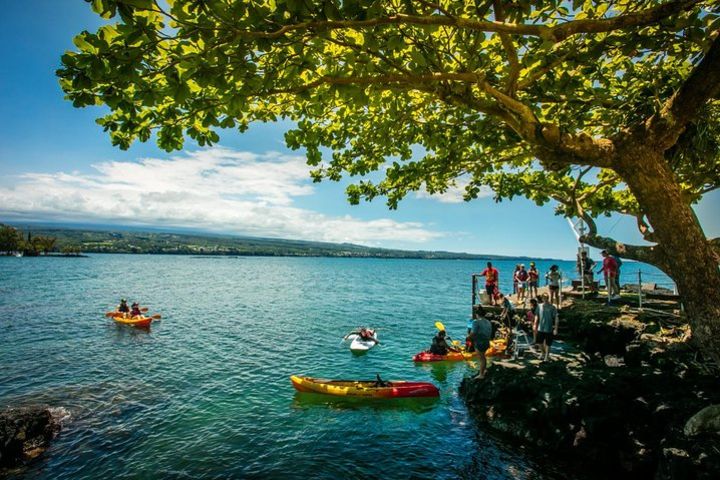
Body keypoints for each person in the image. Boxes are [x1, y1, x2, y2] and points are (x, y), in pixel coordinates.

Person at [534, 294, 559, 361]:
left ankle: (546, 356)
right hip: (540, 327)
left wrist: (556, 328)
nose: (544, 299)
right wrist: (535, 324)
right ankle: (543, 353)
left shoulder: (552, 307)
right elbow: (536, 315)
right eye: (543, 298)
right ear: (542, 298)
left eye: (546, 298)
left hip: (549, 328)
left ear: (548, 298)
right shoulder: (539, 306)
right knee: (539, 342)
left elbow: (556, 318)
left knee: (548, 343)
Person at [470, 307, 493, 379]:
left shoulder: (475, 322)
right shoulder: (488, 322)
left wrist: (468, 337)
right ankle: (483, 370)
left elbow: (473, 333)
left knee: (482, 358)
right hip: (487, 342)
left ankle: (481, 374)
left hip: (480, 342)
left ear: (477, 314)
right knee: (483, 357)